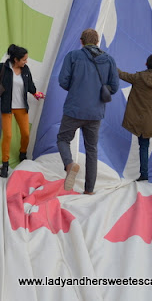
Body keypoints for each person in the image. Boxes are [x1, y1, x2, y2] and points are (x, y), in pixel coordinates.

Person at [57, 28, 118, 194]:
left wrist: (76, 88)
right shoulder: (109, 60)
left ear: (81, 41)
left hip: (74, 109)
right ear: (97, 42)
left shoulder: (73, 56)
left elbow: (62, 81)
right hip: (95, 112)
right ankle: (89, 190)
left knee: (63, 139)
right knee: (92, 149)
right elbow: (114, 87)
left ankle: (69, 164)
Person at [0, 44, 44, 178]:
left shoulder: (26, 70)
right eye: (24, 59)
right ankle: (5, 164)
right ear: (16, 59)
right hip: (6, 107)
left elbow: (30, 86)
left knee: (25, 134)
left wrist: (36, 94)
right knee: (7, 136)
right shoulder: (3, 68)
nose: (26, 62)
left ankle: (22, 153)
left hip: (21, 107)